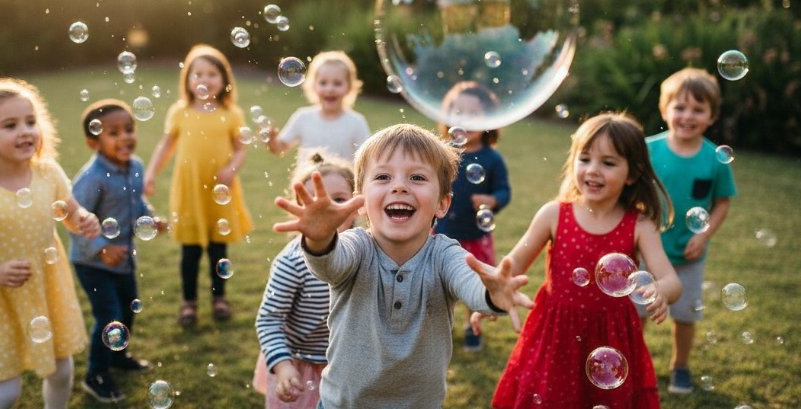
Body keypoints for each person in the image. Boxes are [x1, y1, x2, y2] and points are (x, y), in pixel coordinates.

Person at [272, 123, 533, 409]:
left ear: (442, 204)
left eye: (417, 177)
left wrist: (491, 293)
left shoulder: (445, 255)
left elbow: (468, 280)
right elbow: (330, 265)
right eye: (383, 176)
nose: (399, 186)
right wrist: (320, 239)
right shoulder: (356, 246)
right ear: (360, 202)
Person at [480, 112, 682, 409]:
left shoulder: (639, 225)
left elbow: (671, 280)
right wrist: (493, 292)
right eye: (584, 159)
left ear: (633, 173)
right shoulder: (553, 214)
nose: (593, 170)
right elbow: (514, 263)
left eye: (608, 162)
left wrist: (662, 291)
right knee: (549, 397)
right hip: (555, 333)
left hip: (612, 335)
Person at [0, 78, 101, 409]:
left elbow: (69, 213)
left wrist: (84, 218)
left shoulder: (48, 173)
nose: (25, 131)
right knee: (5, 393)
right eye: (10, 125)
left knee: (61, 371)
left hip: (46, 288)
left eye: (30, 122)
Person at [145, 44, 253, 325]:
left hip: (221, 190)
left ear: (224, 80)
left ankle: (220, 298)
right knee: (190, 252)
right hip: (190, 189)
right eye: (198, 74)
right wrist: (150, 174)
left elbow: (241, 148)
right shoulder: (180, 112)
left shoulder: (232, 114)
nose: (204, 80)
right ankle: (188, 303)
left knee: (219, 250)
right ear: (188, 80)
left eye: (212, 74)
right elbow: (165, 145)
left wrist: (231, 168)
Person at [645, 67, 737, 394]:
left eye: (698, 109)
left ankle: (680, 365)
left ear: (712, 116)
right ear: (664, 109)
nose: (687, 116)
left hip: (688, 255)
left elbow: (723, 202)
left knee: (685, 315)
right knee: (636, 312)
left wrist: (703, 234)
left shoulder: (715, 159)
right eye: (680, 107)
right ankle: (630, 362)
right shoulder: (647, 150)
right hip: (646, 252)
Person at [69, 99, 168, 403]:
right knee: (108, 314)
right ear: (93, 142)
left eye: (128, 129)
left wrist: (150, 218)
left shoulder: (136, 167)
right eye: (114, 132)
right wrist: (101, 248)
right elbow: (74, 219)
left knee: (127, 310)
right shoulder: (92, 178)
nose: (125, 137)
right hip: (92, 263)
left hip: (123, 260)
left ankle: (118, 355)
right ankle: (96, 375)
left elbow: (136, 204)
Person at [253, 152, 359, 409]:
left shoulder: (367, 253)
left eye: (339, 200)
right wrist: (283, 365)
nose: (326, 209)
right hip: (300, 367)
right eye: (313, 202)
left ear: (357, 204)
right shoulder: (292, 262)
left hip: (348, 367)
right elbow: (269, 319)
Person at [434, 81, 511, 352]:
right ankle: (437, 328)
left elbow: (504, 191)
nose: (465, 120)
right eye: (458, 112)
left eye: (474, 114)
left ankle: (471, 325)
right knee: (437, 284)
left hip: (475, 238)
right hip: (441, 233)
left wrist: (492, 200)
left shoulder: (492, 159)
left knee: (474, 285)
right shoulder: (443, 153)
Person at [266, 50, 371, 169]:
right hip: (306, 184)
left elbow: (366, 160)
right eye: (323, 83)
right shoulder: (303, 117)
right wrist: (272, 141)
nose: (330, 89)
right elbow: (280, 147)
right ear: (313, 86)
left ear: (350, 88)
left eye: (337, 83)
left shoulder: (356, 122)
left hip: (342, 186)